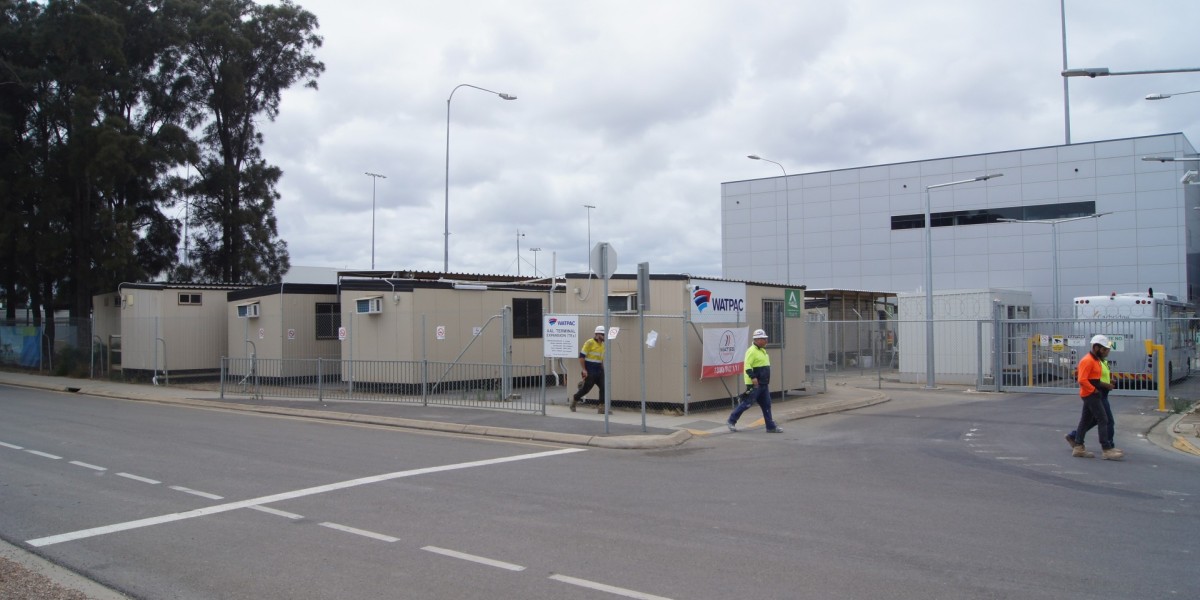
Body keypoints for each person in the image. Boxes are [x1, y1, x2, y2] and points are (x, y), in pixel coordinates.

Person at [1066, 335, 1124, 460]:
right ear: (1096, 347)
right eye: (1104, 350)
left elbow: (1095, 380)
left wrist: (1106, 385)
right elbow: (1082, 380)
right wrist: (1094, 391)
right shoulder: (1088, 360)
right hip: (1091, 394)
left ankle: (1078, 446)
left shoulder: (1097, 360)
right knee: (1103, 419)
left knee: (1086, 420)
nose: (1106, 352)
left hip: (1092, 393)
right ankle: (1106, 449)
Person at [726, 328, 783, 433]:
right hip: (755, 384)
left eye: (766, 339)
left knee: (767, 404)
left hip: (763, 383)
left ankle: (770, 427)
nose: (766, 341)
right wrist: (753, 378)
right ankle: (731, 420)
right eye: (764, 339)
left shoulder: (762, 351)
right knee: (747, 403)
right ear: (757, 340)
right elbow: (747, 365)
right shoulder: (751, 351)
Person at [1066, 351, 1115, 453]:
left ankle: (1076, 438)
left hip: (1100, 392)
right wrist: (1098, 389)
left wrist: (1109, 381)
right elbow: (1086, 379)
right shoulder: (1090, 361)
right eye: (1105, 349)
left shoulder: (1101, 361)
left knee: (1090, 419)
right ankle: (1108, 447)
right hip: (1095, 393)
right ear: (1098, 348)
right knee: (1105, 420)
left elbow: (1102, 376)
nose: (1107, 352)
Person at [571, 325, 607, 414]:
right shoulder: (589, 343)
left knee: (604, 388)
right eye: (603, 334)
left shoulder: (602, 345)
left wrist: (602, 367)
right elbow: (581, 357)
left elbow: (600, 358)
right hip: (590, 370)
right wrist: (584, 370)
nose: (604, 336)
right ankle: (575, 399)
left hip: (599, 370)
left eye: (604, 334)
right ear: (597, 334)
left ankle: (601, 407)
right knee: (586, 389)